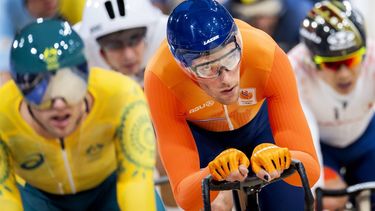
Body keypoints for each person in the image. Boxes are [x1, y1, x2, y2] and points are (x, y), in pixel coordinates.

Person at [144, 0, 320, 210]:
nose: (225, 79)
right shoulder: (160, 79)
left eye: (230, 57)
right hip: (205, 140)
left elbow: (309, 173)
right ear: (184, 68)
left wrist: (284, 158)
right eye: (207, 68)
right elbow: (186, 198)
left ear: (239, 42)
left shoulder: (265, 53)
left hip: (259, 127)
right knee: (216, 206)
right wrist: (213, 173)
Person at [0, 18, 158, 211]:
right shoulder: (2, 115)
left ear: (86, 76)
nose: (59, 104)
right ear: (20, 89)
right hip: (40, 197)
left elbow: (136, 183)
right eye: (41, 90)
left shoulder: (122, 95)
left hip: (109, 188)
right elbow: (4, 196)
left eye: (69, 85)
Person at [77, 0, 176, 209]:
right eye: (114, 44)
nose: (129, 55)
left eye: (134, 39)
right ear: (98, 48)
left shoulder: (170, 35)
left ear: (148, 35)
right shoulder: (78, 52)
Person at [288, 0, 375, 210]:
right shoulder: (294, 68)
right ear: (311, 61)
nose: (344, 74)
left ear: (363, 54)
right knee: (329, 198)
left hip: (368, 140)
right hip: (324, 148)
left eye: (352, 61)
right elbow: (304, 131)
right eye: (332, 64)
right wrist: (315, 190)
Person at [226, 0, 314, 52]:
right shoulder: (226, 19)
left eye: (267, 14)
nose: (261, 24)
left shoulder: (301, 17)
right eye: (252, 18)